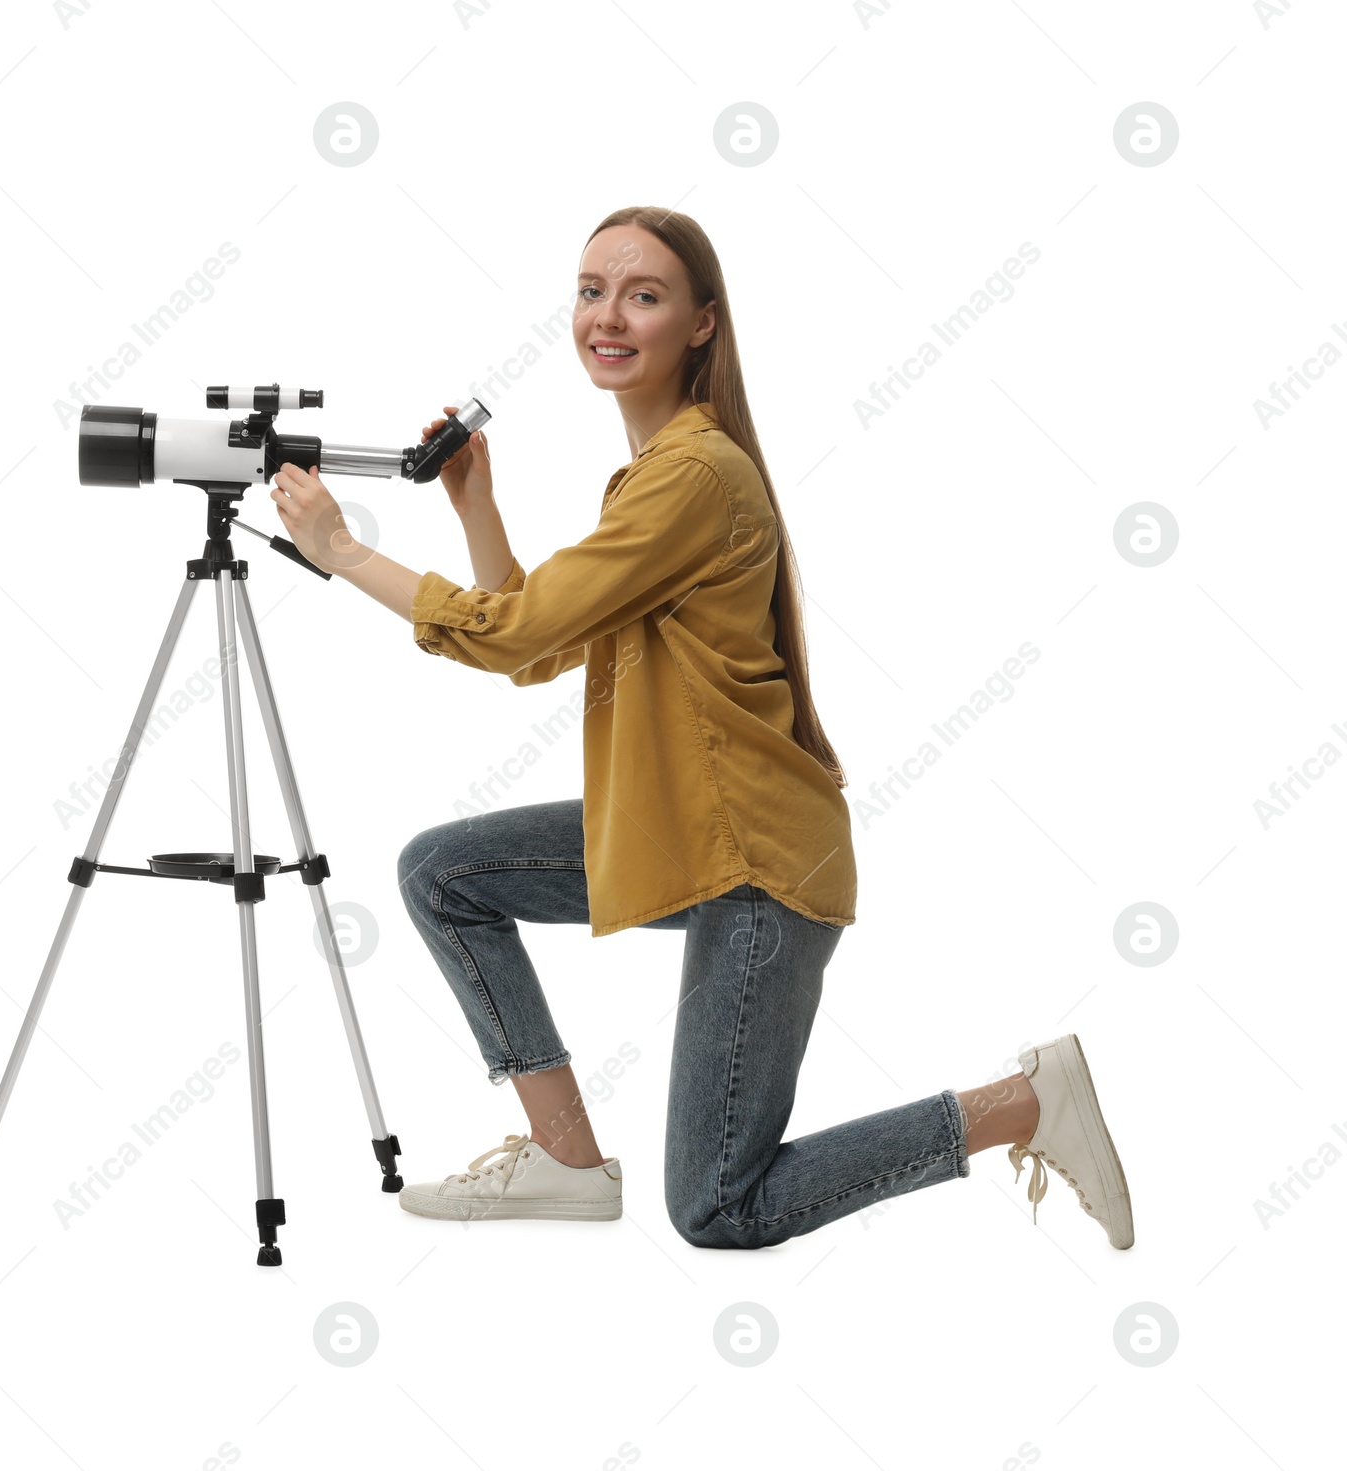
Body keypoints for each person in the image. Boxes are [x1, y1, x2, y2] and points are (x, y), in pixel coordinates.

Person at [269, 205, 1134, 1251]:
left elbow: (508, 635)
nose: (607, 314)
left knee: (722, 1204)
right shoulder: (661, 475)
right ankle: (565, 1156)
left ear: (701, 325)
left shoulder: (690, 475)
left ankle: (1023, 1104)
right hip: (692, 830)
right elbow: (535, 648)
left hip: (755, 863)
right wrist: (474, 506)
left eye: (643, 294)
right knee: (443, 872)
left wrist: (343, 553)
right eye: (592, 290)